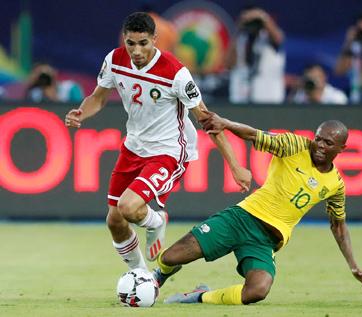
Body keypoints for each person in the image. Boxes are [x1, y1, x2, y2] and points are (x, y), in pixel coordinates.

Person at [64, 13, 251, 273]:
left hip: (168, 150)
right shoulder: (115, 60)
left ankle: (155, 220)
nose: (137, 51)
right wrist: (81, 112)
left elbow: (208, 121)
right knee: (115, 220)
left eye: (143, 43)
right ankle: (140, 275)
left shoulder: (176, 73)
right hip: (133, 146)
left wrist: (235, 165)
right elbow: (99, 97)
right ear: (124, 40)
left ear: (155, 39)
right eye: (131, 43)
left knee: (129, 207)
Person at [153, 113, 362, 305]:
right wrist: (225, 124)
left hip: (265, 242)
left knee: (257, 290)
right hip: (241, 219)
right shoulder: (294, 146)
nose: (320, 145)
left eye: (328, 143)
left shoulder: (336, 185)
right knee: (172, 257)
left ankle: (199, 296)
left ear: (342, 149)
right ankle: (157, 277)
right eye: (318, 139)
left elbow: (338, 226)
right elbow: (254, 135)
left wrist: (353, 266)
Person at [227, 7, 285, 104]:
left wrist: (261, 17)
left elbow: (278, 39)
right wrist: (238, 29)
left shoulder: (268, 39)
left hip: (269, 98)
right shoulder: (241, 39)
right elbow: (228, 64)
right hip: (243, 98)